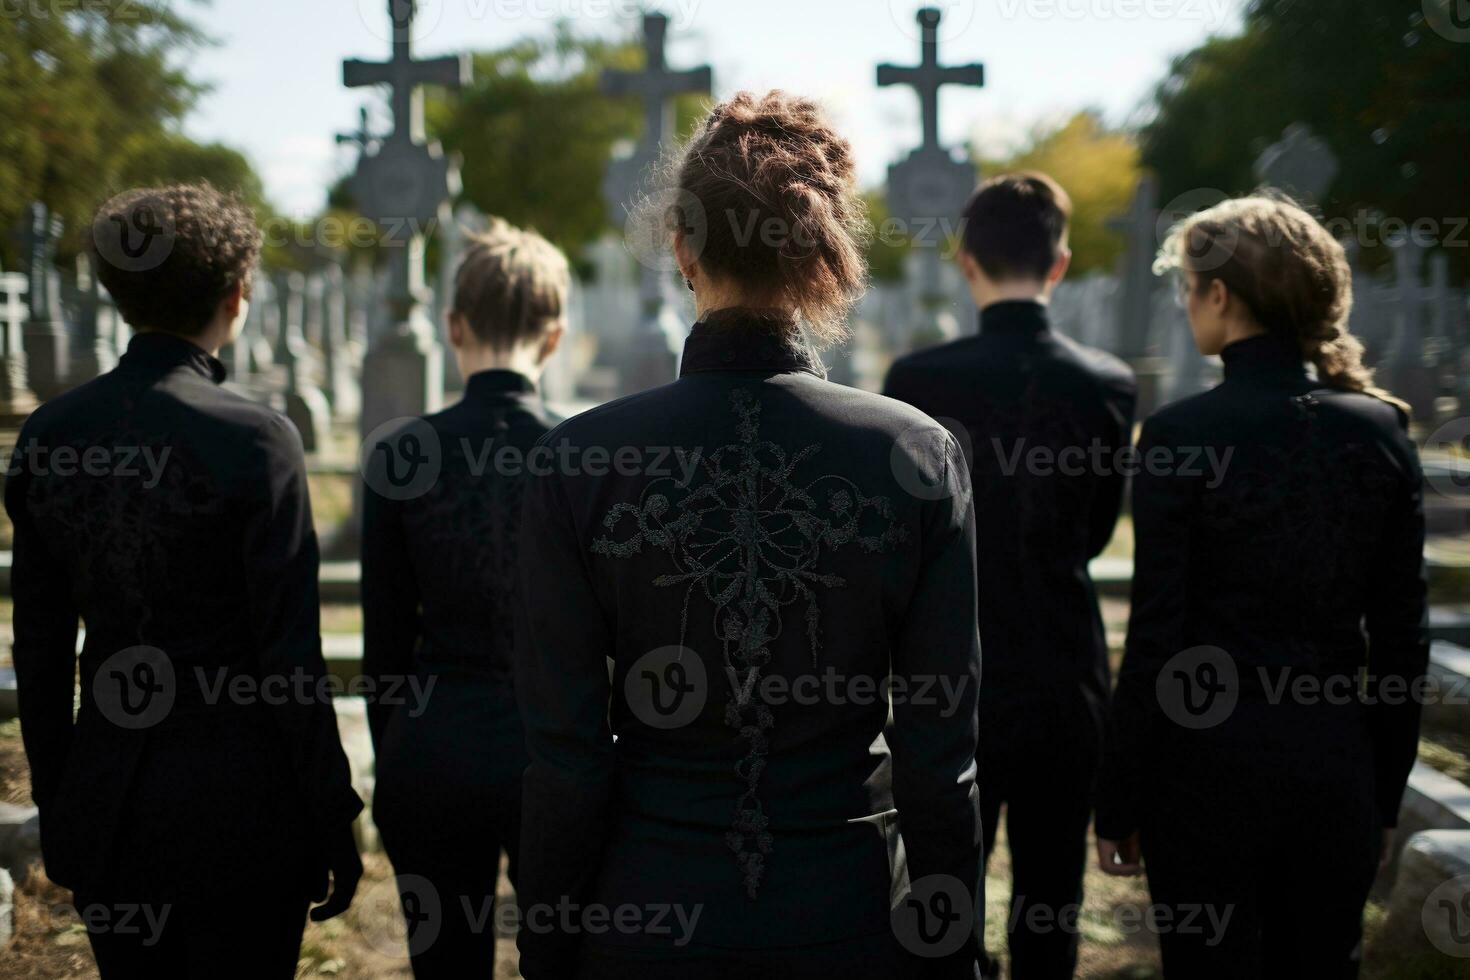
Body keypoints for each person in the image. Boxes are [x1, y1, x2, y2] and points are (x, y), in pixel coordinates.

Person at [513, 90, 984, 980]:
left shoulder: (578, 459)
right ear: (823, 249)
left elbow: (564, 757)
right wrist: (953, 949)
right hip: (851, 920)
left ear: (682, 248)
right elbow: (940, 754)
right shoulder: (915, 453)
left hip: (646, 921)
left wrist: (549, 951)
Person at [6, 184, 362, 977]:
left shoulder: (50, 434)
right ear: (236, 295)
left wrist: (64, 806)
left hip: (110, 802)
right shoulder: (258, 440)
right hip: (245, 810)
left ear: (119, 292)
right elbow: (289, 659)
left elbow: (38, 649)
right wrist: (332, 813)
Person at [1095, 195, 1428, 978]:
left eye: (1186, 287)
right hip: (1334, 770)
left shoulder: (1180, 435)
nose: (1184, 305)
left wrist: (1119, 796)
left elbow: (1157, 638)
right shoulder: (1379, 431)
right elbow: (1402, 638)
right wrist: (1383, 795)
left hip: (1204, 776)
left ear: (1219, 295)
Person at [884, 172, 1137, 980]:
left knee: (941, 905)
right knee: (1050, 911)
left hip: (948, 680)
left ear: (966, 262)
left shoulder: (916, 384)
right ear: (1059, 264)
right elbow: (1096, 530)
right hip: (1065, 671)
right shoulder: (1107, 385)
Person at [361, 218, 569, 976]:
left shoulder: (399, 453)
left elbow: (385, 644)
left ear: (453, 327)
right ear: (554, 337)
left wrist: (398, 763)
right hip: (553, 757)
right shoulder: (584, 452)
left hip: (433, 751)